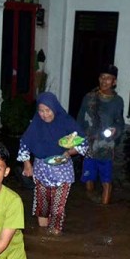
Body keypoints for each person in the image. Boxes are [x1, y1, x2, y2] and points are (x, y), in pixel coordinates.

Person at [17, 92, 87, 235]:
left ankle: (55, 239)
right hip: (41, 170)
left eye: (48, 110)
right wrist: (27, 164)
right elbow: (24, 143)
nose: (44, 114)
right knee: (42, 207)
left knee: (57, 208)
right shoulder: (36, 123)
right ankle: (42, 235)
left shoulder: (66, 121)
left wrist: (68, 152)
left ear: (54, 108)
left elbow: (83, 143)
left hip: (62, 171)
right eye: (41, 111)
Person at [77, 64, 125, 205]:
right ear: (99, 79)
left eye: (108, 78)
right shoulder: (89, 98)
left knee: (106, 180)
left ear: (114, 82)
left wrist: (115, 131)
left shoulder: (117, 101)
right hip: (89, 145)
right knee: (88, 178)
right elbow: (80, 119)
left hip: (106, 146)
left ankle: (104, 212)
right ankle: (91, 209)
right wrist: (78, 139)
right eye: (102, 77)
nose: (104, 81)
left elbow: (120, 123)